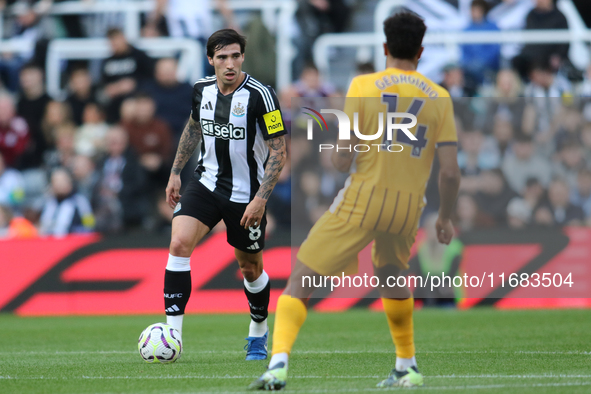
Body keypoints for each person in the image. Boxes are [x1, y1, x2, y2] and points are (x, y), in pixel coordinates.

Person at [250, 12, 460, 390]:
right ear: (421, 51)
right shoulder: (440, 97)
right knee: (394, 275)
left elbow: (343, 157)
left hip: (364, 198)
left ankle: (277, 365)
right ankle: (406, 365)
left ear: (384, 48)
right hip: (408, 207)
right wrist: (444, 217)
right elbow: (449, 172)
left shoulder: (364, 85)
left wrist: (338, 154)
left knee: (302, 277)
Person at [163, 29, 287, 360]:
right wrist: (176, 172)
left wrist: (261, 198)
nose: (229, 63)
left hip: (246, 195)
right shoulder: (201, 90)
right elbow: (193, 128)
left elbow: (278, 150)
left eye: (235, 56)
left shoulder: (262, 95)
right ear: (210, 60)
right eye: (222, 57)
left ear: (243, 57)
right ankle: (172, 334)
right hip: (205, 183)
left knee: (250, 268)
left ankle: (258, 331)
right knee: (178, 244)